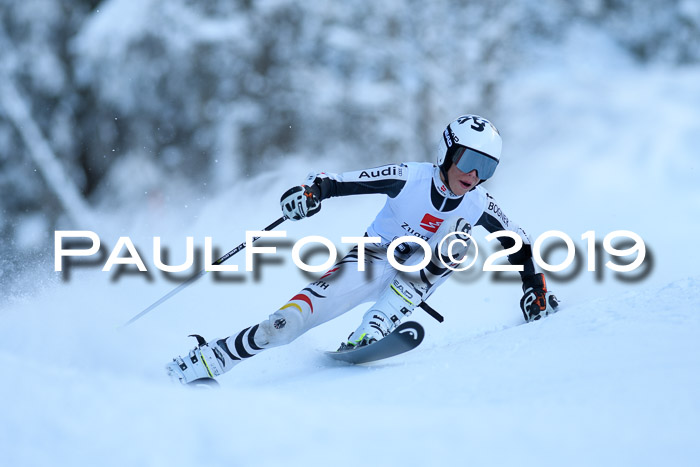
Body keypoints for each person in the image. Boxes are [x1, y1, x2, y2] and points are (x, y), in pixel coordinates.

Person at [166, 114, 560, 384]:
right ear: (448, 152)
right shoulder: (409, 176)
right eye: (470, 161)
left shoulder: (478, 203)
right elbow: (336, 181)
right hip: (369, 258)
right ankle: (211, 359)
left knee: (459, 237)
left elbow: (519, 242)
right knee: (282, 325)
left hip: (418, 273)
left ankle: (376, 325)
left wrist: (534, 288)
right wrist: (310, 194)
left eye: (486, 168)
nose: (474, 176)